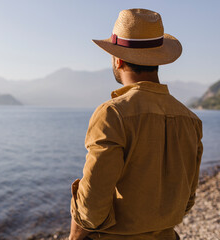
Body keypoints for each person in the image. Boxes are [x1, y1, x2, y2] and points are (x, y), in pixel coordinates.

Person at [69, 8, 203, 240]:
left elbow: (91, 208)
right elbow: (187, 200)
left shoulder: (112, 113)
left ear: (117, 59)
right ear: (158, 60)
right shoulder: (190, 119)